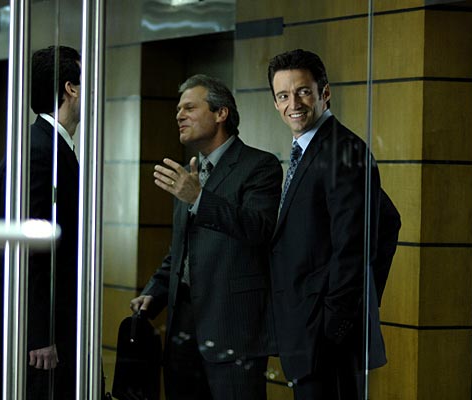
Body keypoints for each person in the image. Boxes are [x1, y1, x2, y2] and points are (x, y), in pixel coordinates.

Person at [130, 74, 282, 400]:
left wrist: (199, 198)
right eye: (177, 110)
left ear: (220, 113)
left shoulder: (260, 166)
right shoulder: (189, 173)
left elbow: (258, 228)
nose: (179, 116)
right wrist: (154, 291)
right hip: (182, 331)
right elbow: (183, 249)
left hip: (232, 331)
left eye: (189, 108)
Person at [267, 49, 391, 400]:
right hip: (306, 333)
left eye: (303, 91)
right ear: (275, 103)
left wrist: (337, 322)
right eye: (283, 95)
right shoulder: (309, 150)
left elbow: (354, 246)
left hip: (326, 340)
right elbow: (389, 221)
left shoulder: (343, 150)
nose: (293, 104)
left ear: (325, 93)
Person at [0, 45, 82, 399]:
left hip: (48, 323)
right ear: (71, 88)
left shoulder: (48, 145)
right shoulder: (38, 150)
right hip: (38, 335)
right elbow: (26, 246)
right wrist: (38, 333)